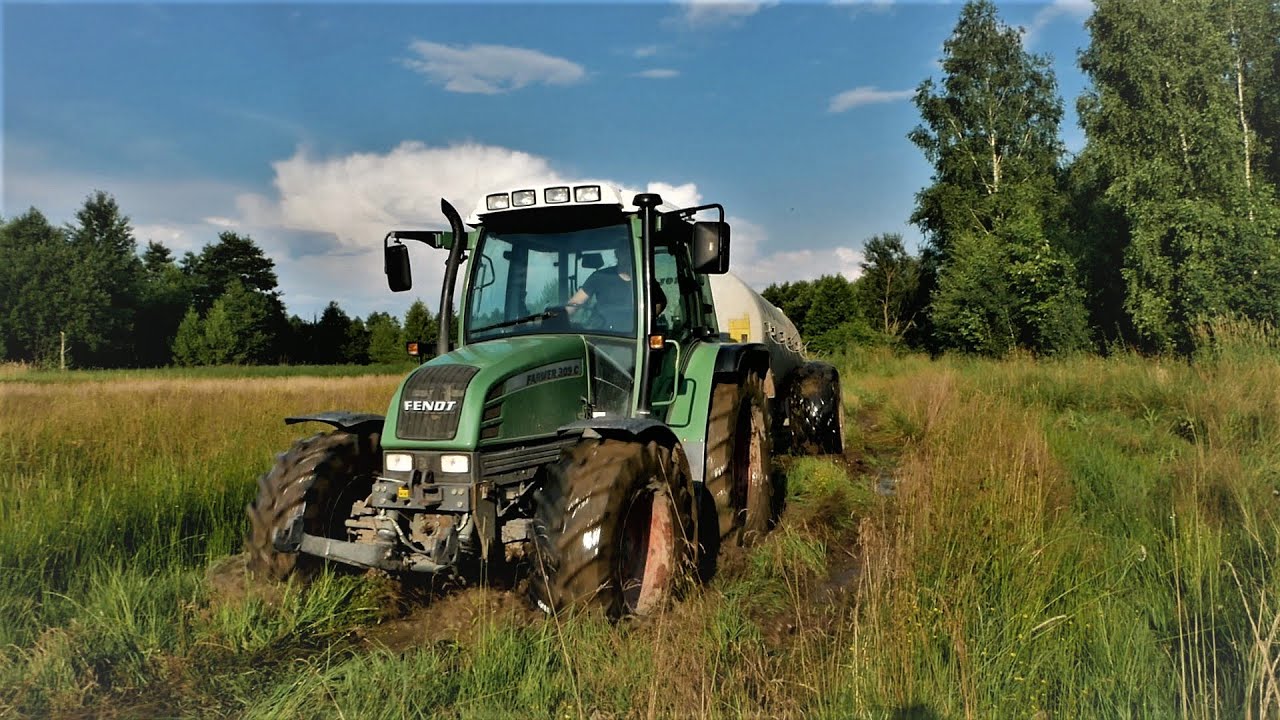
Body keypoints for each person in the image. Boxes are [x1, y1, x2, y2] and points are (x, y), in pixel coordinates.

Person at [565, 250, 665, 332]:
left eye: (629, 251)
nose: (626, 256)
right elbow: (575, 303)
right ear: (617, 254)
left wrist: (646, 320)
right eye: (623, 252)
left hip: (639, 337)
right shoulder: (600, 277)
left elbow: (660, 302)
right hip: (608, 337)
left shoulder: (645, 278)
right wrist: (558, 320)